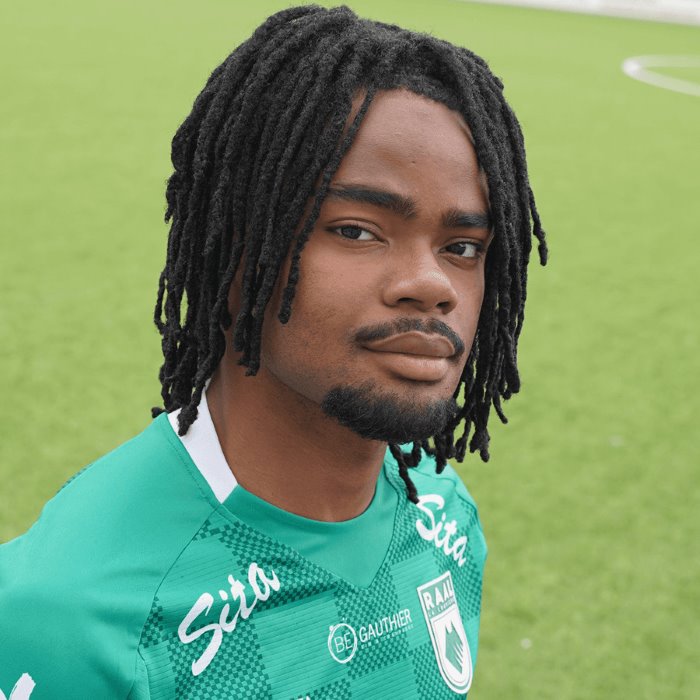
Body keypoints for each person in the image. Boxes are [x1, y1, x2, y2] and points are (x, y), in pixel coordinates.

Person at [0, 5, 547, 698]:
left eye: (462, 247)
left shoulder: (444, 516)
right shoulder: (75, 619)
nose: (432, 284)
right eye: (356, 230)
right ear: (236, 248)